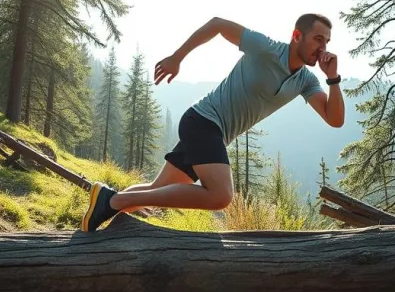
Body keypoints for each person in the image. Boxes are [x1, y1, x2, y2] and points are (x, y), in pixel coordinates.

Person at [81, 13, 345, 232]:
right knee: (220, 196)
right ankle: (112, 199)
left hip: (212, 133)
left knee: (156, 190)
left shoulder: (306, 81)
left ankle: (102, 214)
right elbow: (218, 24)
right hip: (203, 122)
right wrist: (177, 57)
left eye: (327, 41)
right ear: (297, 35)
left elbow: (334, 120)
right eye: (317, 39)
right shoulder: (265, 48)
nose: (323, 47)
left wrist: (332, 78)